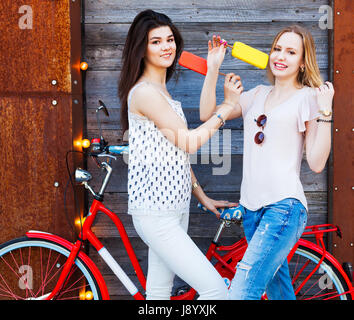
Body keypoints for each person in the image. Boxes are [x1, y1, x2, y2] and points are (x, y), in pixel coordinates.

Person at [200, 26, 334, 300]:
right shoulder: (256, 94)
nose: (280, 56)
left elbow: (318, 163)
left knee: (240, 293)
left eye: (291, 51)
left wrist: (326, 110)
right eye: (277, 48)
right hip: (251, 210)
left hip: (284, 208)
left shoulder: (308, 97)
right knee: (280, 294)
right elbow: (207, 115)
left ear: (302, 60)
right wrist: (213, 68)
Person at [118, 9, 242, 300]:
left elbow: (176, 154)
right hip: (156, 213)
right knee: (216, 292)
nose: (166, 47)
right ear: (142, 48)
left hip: (175, 208)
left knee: (159, 293)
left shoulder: (162, 92)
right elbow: (188, 143)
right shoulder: (145, 93)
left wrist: (200, 194)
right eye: (156, 41)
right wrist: (228, 107)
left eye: (170, 39)